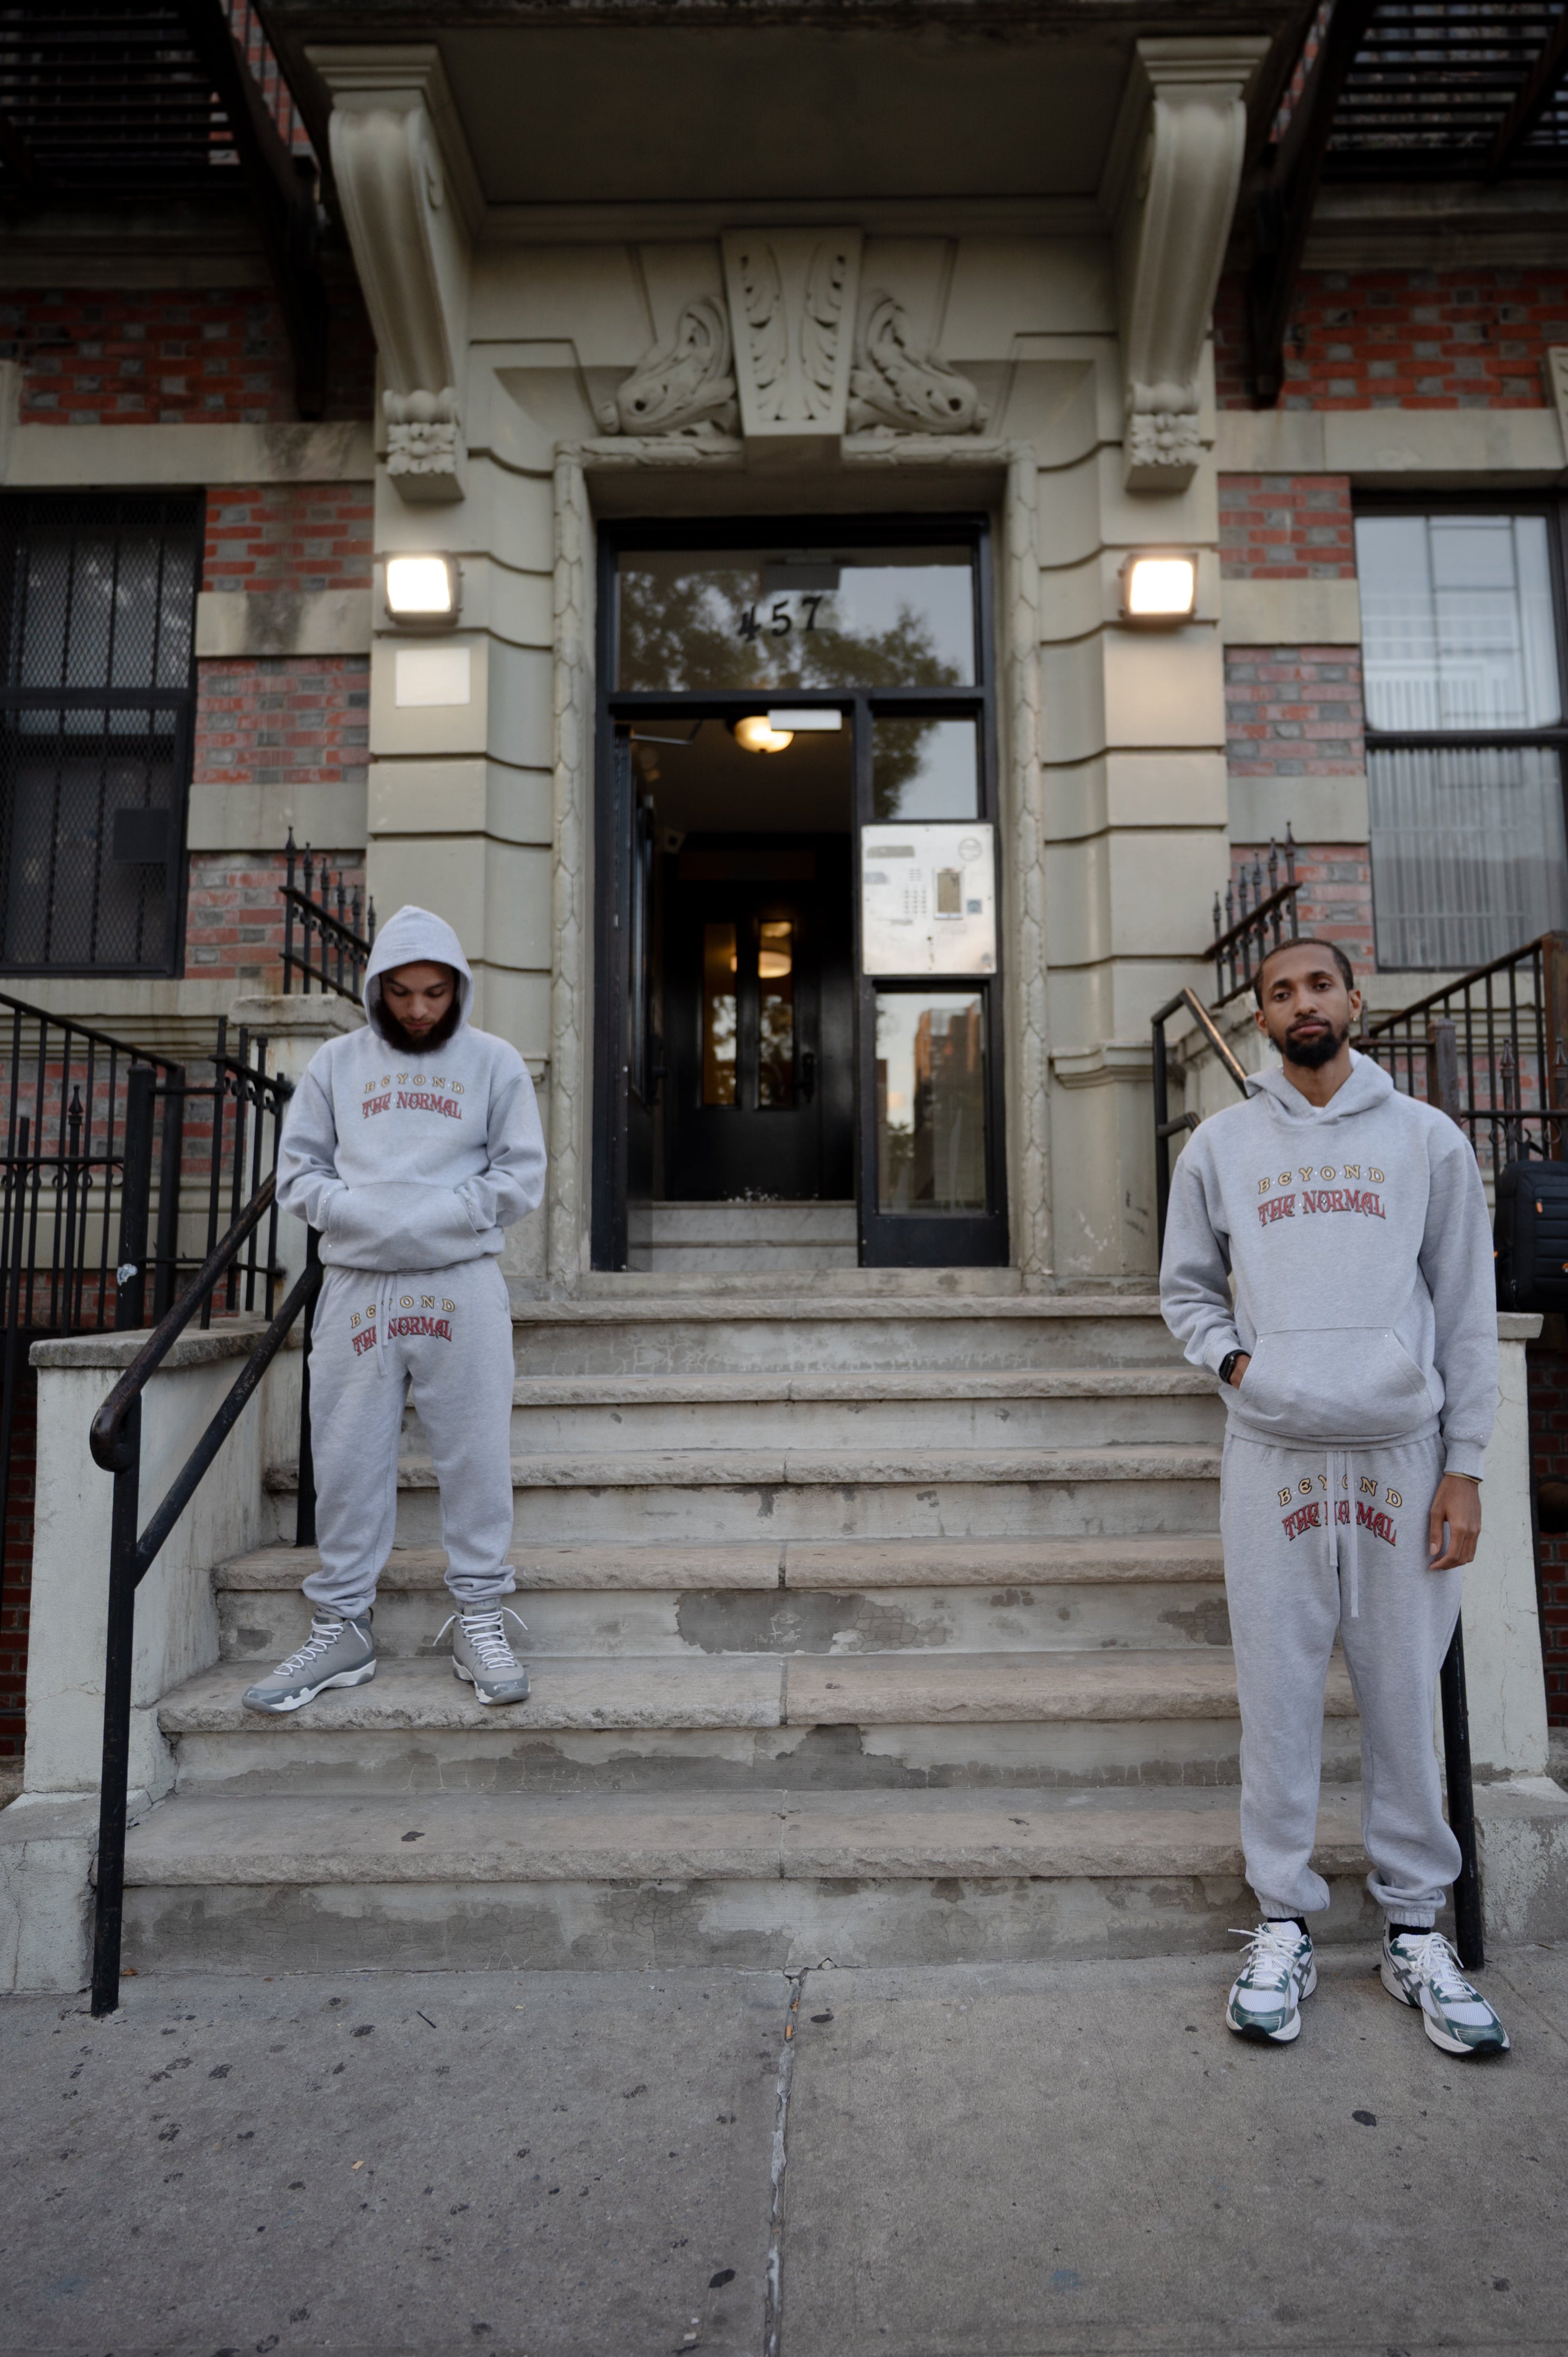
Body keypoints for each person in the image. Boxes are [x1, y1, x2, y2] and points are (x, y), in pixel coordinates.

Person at [1160, 936, 1510, 2057]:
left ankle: (1415, 1932)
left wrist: (1466, 1466)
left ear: (1355, 1000)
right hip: (1271, 1451)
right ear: (1259, 1019)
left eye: (1319, 984)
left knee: (1404, 1696)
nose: (1301, 1002)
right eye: (1279, 992)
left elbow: (1465, 1313)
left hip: (1404, 1454)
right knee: (1277, 1695)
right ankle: (1282, 1921)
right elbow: (1185, 1289)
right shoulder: (1219, 1145)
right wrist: (1239, 1365)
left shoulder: (1427, 1139)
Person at [242, 905, 545, 1715]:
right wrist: (357, 1214)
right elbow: (299, 1172)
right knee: (346, 1457)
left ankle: (480, 1617)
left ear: (458, 989)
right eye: (402, 992)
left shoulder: (494, 1062)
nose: (417, 1009)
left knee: (475, 1454)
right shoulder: (336, 1065)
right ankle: (342, 1625)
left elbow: (521, 1175)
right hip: (357, 1284)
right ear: (377, 987)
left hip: (461, 1278)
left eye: (435, 994)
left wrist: (442, 1215)